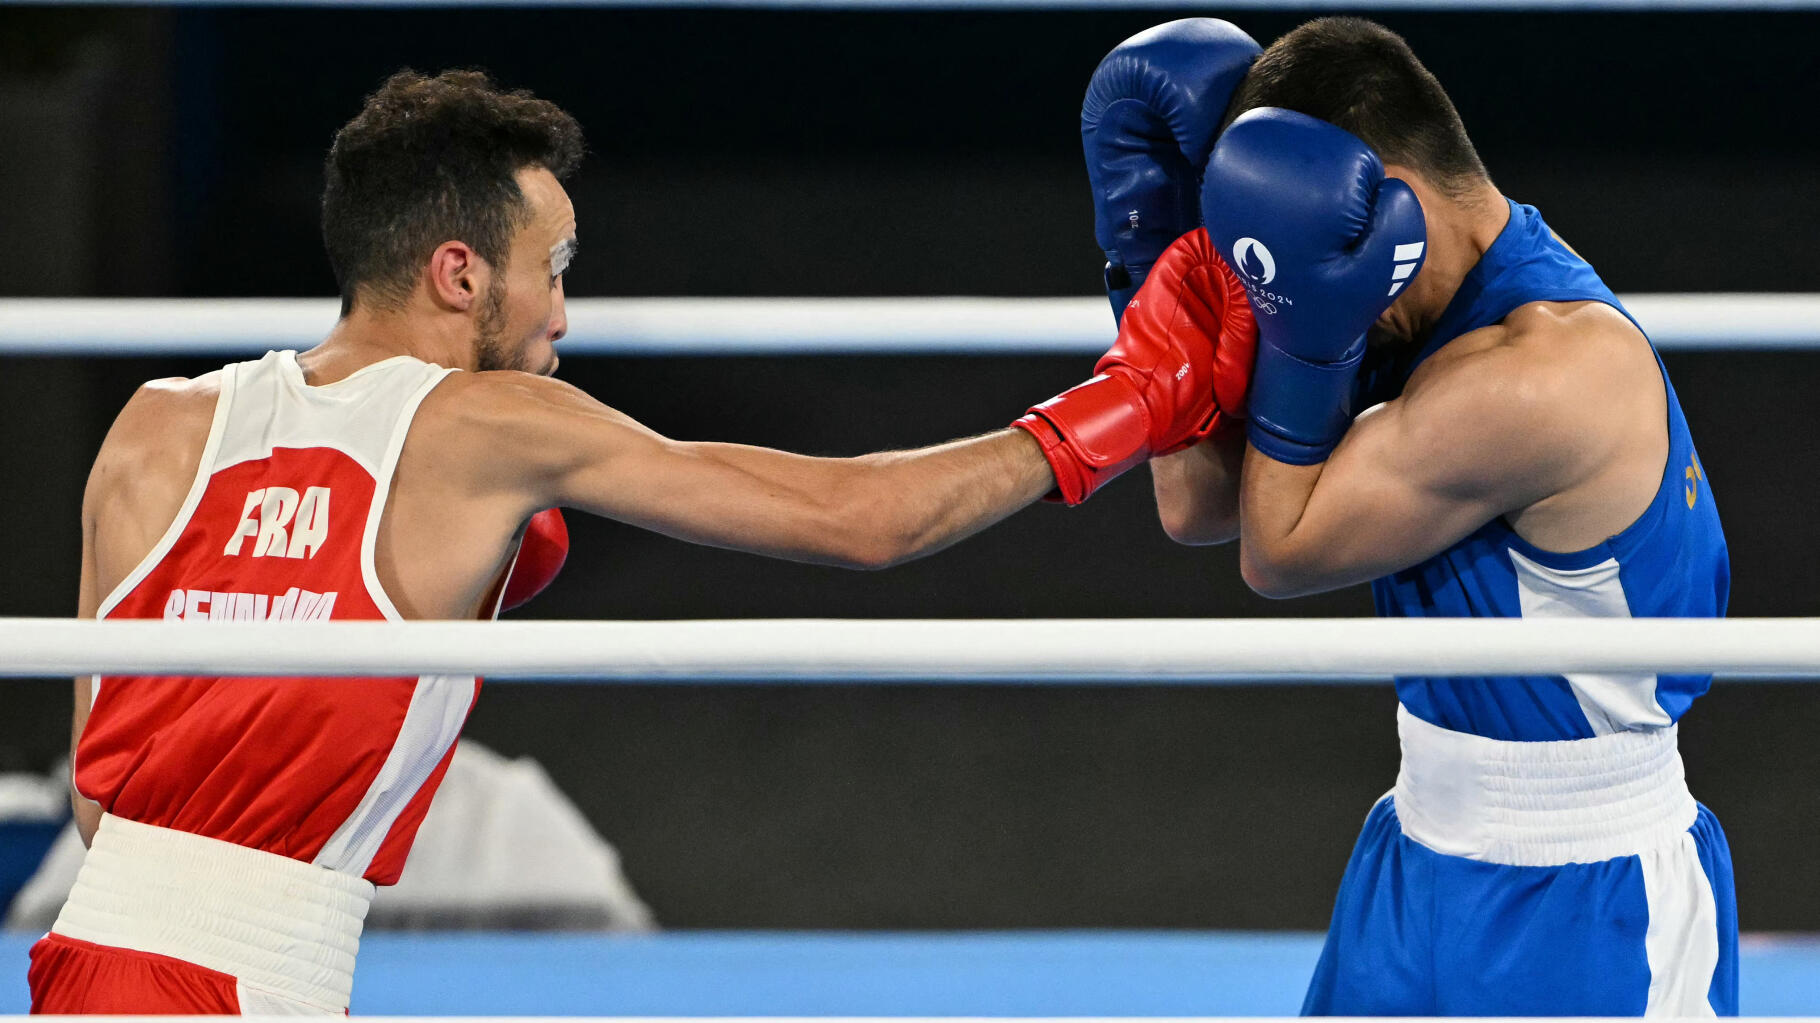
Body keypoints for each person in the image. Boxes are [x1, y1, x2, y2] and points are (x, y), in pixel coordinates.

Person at [32, 69, 1257, 1015]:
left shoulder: (154, 428)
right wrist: (1123, 406)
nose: (562, 311)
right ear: (459, 273)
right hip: (247, 985)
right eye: (549, 267)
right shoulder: (489, 423)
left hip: (81, 963)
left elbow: (101, 798)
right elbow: (858, 519)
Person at [1121, 16, 1733, 1016]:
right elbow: (1198, 505)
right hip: (1411, 853)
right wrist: (1152, 264)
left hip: (1586, 895)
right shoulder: (1397, 291)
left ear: (1378, 199)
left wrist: (1306, 337)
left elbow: (1277, 550)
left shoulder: (1543, 372)